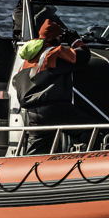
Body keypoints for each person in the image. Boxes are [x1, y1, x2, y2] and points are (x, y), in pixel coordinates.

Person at [13, 19, 93, 154]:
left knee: (37, 150)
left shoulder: (28, 59)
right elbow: (82, 57)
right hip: (54, 108)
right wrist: (75, 41)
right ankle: (86, 159)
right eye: (60, 37)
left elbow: (16, 82)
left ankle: (29, 165)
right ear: (55, 37)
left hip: (33, 113)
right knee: (92, 128)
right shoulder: (54, 52)